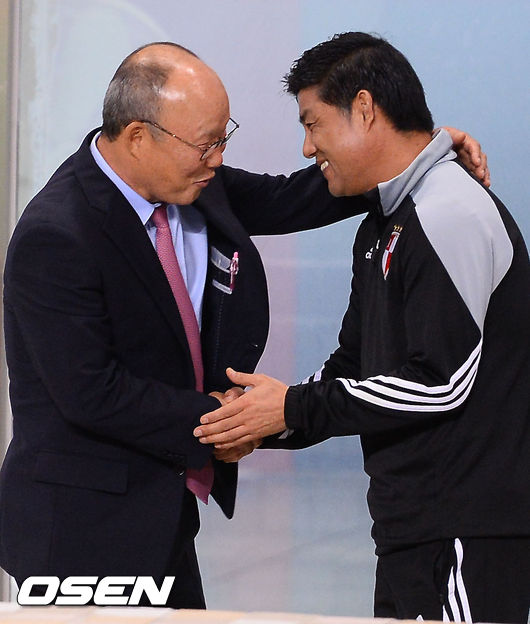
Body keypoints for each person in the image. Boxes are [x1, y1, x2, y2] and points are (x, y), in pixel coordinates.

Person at [0, 41, 487, 608]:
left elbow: (293, 197)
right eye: (206, 144)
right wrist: (230, 419)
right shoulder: (57, 234)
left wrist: (412, 152)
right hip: (81, 527)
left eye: (223, 139)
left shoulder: (194, 182)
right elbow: (90, 392)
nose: (217, 159)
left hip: (162, 514)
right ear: (137, 137)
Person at [193, 33, 530, 623]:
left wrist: (290, 408)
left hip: (463, 532)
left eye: (312, 124)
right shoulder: (381, 221)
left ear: (366, 109)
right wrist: (264, 421)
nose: (307, 148)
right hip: (411, 530)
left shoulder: (447, 210)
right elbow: (353, 366)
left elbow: (441, 384)